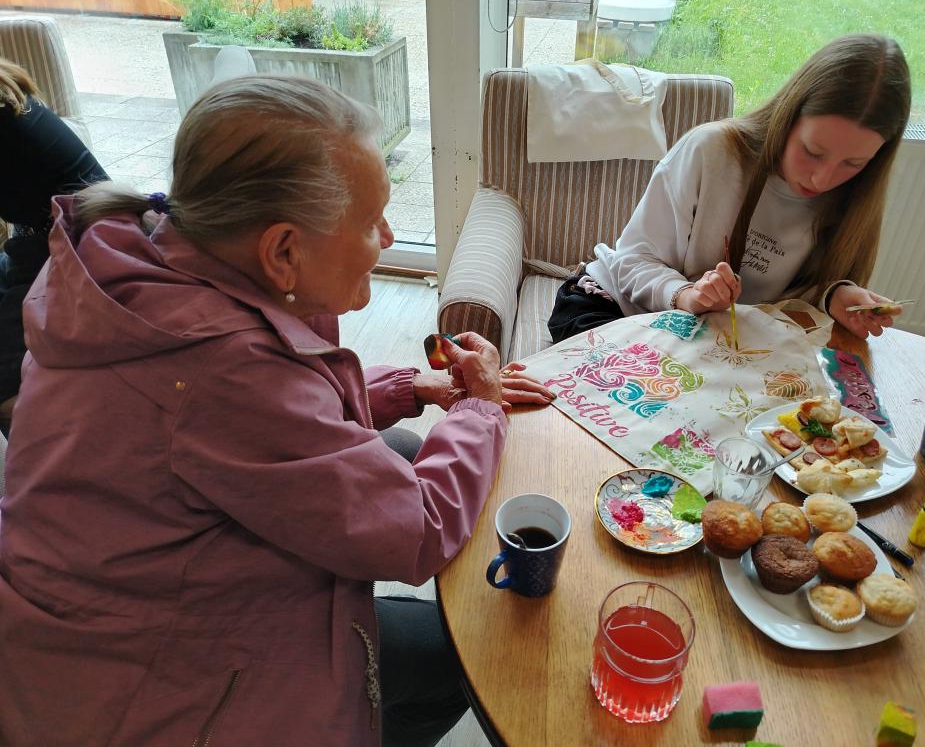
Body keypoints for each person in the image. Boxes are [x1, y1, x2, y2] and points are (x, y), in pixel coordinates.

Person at [0, 74, 552, 747]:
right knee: (456, 656)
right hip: (151, 689)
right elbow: (419, 529)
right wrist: (481, 410)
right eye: (371, 221)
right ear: (284, 252)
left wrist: (413, 389)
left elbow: (279, 406)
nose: (387, 235)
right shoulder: (219, 373)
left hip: (104, 610)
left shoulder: (159, 262)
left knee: (406, 450)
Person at [548, 33, 912, 344]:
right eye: (813, 152)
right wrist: (686, 294)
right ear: (788, 118)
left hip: (708, 341)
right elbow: (632, 261)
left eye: (853, 164)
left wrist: (832, 295)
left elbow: (784, 304)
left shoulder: (854, 198)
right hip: (613, 307)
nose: (822, 179)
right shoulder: (713, 151)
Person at [0, 57, 108, 404]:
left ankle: (29, 426)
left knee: (5, 376)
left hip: (72, 246)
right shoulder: (5, 91)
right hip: (64, 232)